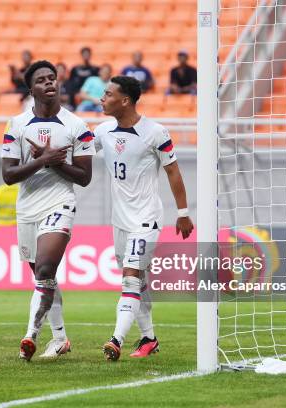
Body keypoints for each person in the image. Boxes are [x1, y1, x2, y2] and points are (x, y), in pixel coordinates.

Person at [1, 60, 95, 361]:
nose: (49, 83)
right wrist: (43, 160)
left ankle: (30, 336)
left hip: (60, 202)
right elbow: (8, 175)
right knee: (45, 277)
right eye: (41, 80)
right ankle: (60, 339)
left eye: (52, 78)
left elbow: (84, 178)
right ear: (32, 89)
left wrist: (57, 163)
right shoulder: (15, 124)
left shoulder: (77, 126)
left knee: (43, 269)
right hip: (27, 207)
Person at [94, 76, 194, 361]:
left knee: (130, 280)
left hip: (146, 219)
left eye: (108, 94)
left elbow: (173, 171)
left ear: (124, 100)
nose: (102, 98)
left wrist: (183, 213)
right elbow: (80, 152)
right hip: (120, 221)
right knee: (140, 281)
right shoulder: (102, 131)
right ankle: (149, 338)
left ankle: (116, 340)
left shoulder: (155, 132)